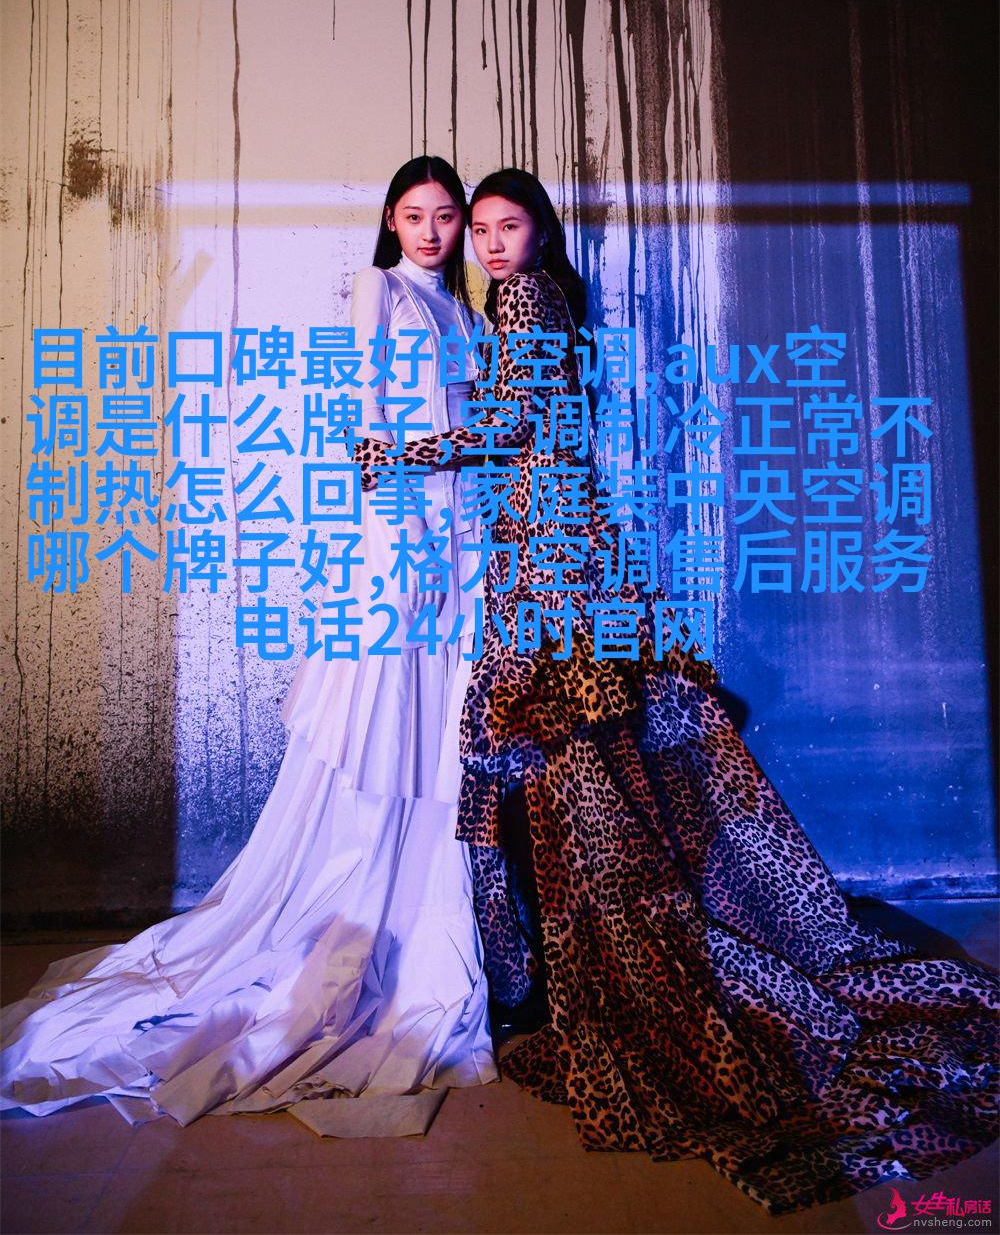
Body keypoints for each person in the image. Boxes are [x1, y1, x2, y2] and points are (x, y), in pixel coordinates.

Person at [355, 167, 999, 1216]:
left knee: (575, 768)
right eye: (481, 230)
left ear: (540, 233)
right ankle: (585, 961)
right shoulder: (527, 300)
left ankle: (614, 970)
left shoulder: (524, 299)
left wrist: (399, 450)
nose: (489, 243)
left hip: (551, 558)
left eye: (508, 226)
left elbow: (515, 429)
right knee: (582, 765)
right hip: (553, 543)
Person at [0, 155, 497, 1128]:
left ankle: (427, 923)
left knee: (440, 740)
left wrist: (466, 516)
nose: (432, 232)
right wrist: (413, 525)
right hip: (403, 535)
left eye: (447, 216)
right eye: (414, 215)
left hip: (463, 538)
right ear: (391, 222)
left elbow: (477, 431)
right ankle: (353, 928)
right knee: (380, 732)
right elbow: (365, 429)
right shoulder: (382, 290)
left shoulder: (468, 314)